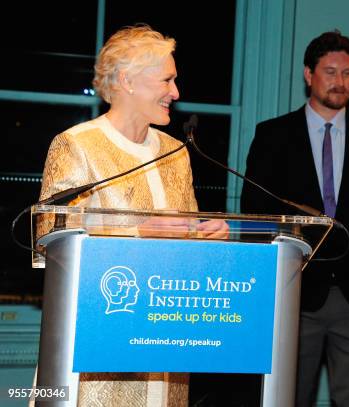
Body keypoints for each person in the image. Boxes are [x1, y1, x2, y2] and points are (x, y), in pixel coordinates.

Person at [38, 24, 227, 406]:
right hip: (97, 349)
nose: (176, 92)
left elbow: (185, 243)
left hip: (168, 348)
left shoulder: (177, 153)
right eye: (167, 80)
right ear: (126, 80)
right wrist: (137, 230)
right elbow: (50, 237)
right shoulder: (78, 144)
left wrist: (208, 239)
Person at [241, 30, 349, 407]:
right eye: (330, 72)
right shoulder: (272, 136)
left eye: (347, 73)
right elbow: (256, 219)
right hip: (292, 297)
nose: (340, 82)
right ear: (308, 74)